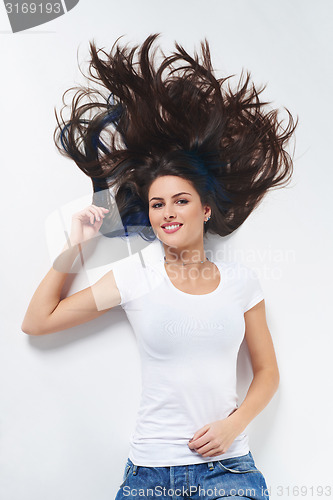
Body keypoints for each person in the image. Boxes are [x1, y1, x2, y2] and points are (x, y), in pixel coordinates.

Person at [22, 34, 298, 499]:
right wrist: (76, 249)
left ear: (205, 210)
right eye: (156, 204)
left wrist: (235, 425)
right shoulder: (136, 277)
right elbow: (37, 321)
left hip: (228, 472)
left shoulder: (241, 283)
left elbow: (267, 371)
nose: (168, 212)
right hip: (151, 475)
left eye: (181, 201)